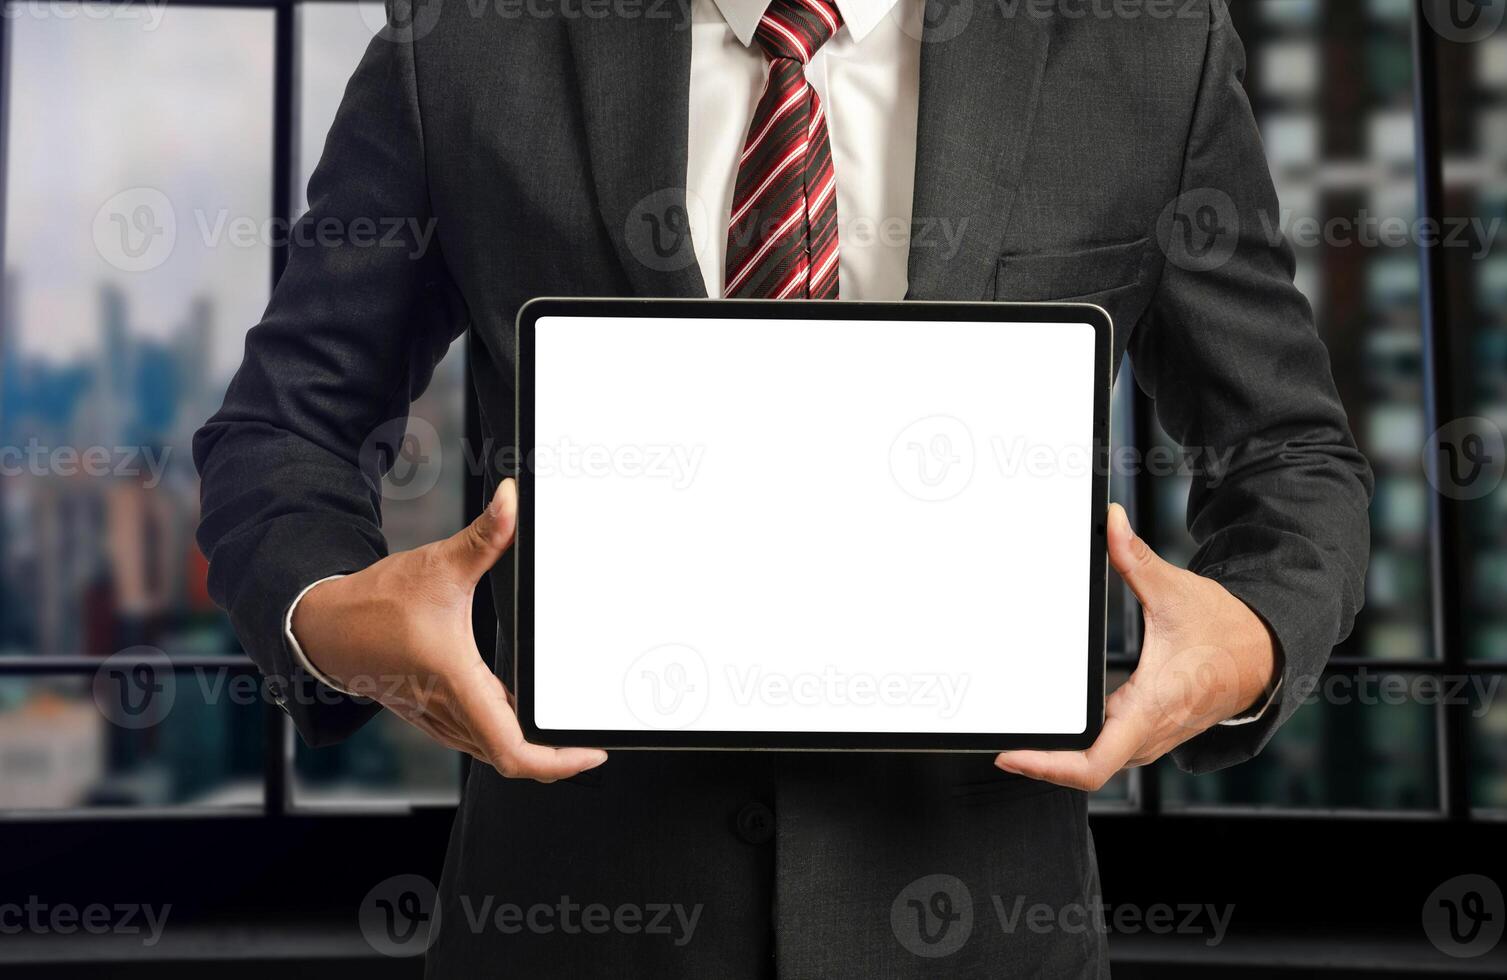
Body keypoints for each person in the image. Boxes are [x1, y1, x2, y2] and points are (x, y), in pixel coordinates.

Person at [194, 0, 1372, 974]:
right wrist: (334, 619)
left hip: (981, 929)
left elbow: (1290, 456)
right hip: (563, 923)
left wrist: (1251, 635)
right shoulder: (459, 41)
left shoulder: (1146, 47)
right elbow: (282, 431)